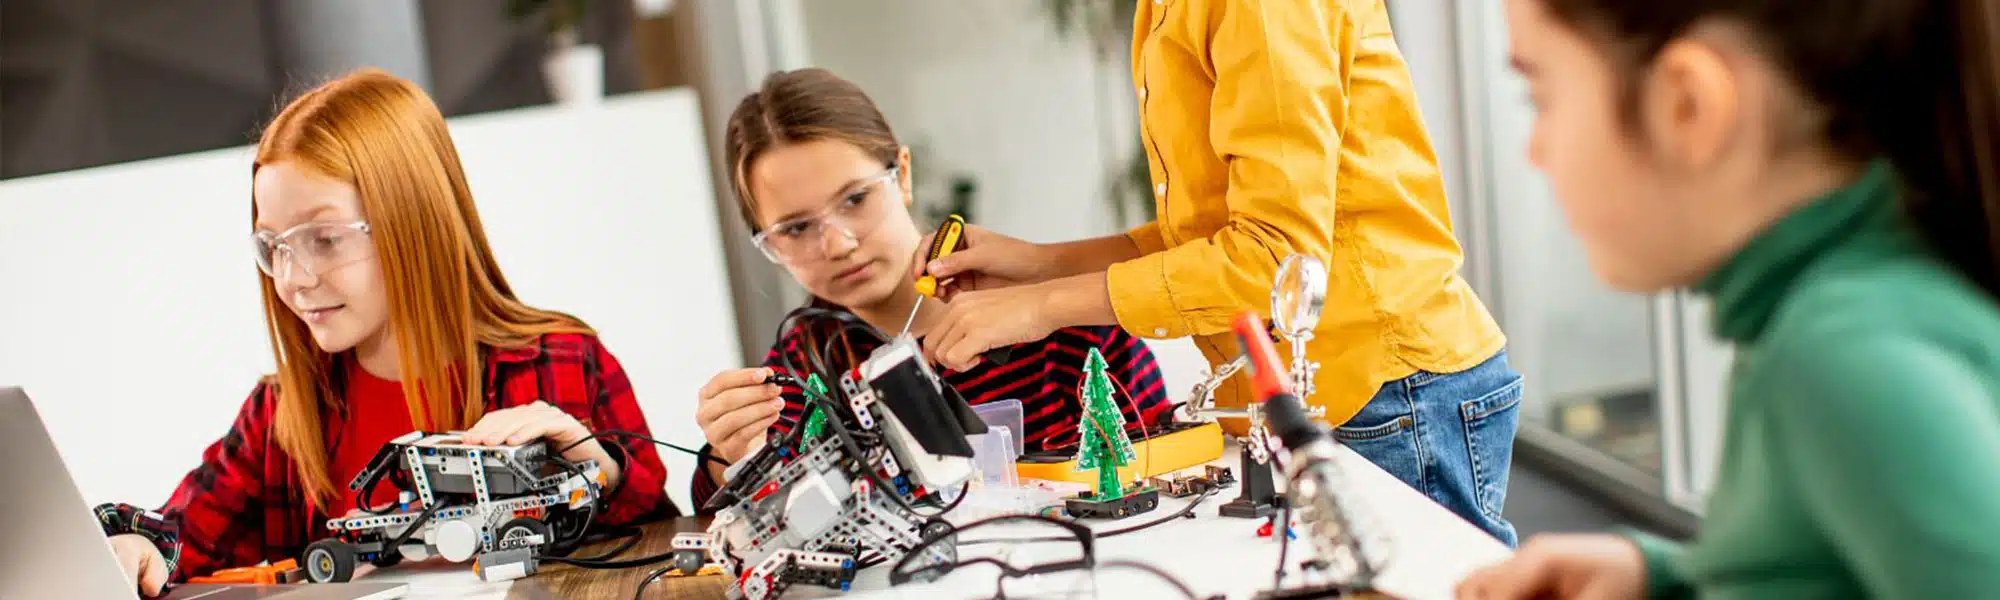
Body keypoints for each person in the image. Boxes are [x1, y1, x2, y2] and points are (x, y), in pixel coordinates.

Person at [912, 1, 1521, 543]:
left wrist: (1042, 308)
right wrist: (1037, 269)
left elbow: (1274, 261)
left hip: (1387, 393)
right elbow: (1211, 238)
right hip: (1324, 398)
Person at [1455, 1, 2000, 598]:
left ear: (1686, 106)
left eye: (1540, 100)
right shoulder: (1830, 304)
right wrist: (1665, 579)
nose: (1534, 151)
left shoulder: (1839, 357)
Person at [107, 69, 676, 596]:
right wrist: (137, 546)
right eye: (273, 247)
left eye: (324, 239)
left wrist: (596, 467)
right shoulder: (282, 412)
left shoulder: (563, 364)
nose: (293, 279)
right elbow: (183, 533)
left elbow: (661, 554)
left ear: (414, 220)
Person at [689, 68, 1174, 510]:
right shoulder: (799, 370)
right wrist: (726, 455)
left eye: (856, 199)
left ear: (903, 175)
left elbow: (1172, 464)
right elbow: (749, 519)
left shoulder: (1058, 318)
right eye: (795, 229)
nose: (838, 244)